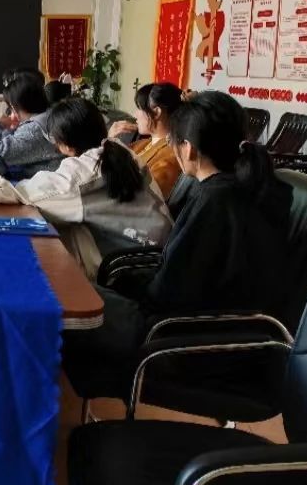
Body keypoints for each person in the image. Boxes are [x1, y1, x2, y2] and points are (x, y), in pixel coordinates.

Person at [62, 90, 294, 401]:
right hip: (194, 324)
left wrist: (128, 287)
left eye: (173, 141)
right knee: (68, 292)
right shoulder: (238, 189)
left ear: (188, 148)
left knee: (61, 302)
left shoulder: (216, 200)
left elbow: (172, 291)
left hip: (176, 337)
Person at [16, 97, 172, 279]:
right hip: (159, 255)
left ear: (65, 144)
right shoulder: (120, 150)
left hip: (131, 269)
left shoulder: (80, 174)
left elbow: (24, 194)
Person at [109, 82, 184, 200]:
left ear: (157, 112)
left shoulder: (173, 156)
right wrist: (110, 143)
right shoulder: (144, 143)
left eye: (139, 108)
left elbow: (141, 196)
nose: (135, 115)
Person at [0, 70, 63, 176]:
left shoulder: (34, 129)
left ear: (16, 106)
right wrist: (11, 128)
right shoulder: (47, 115)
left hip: (44, 183)